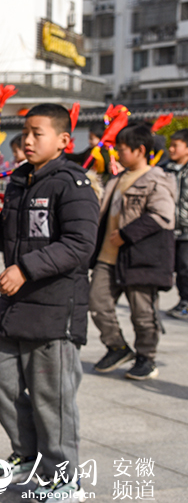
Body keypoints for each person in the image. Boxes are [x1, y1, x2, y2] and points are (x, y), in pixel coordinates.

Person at [0, 103, 99, 503]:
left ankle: (65, 478)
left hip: (54, 310)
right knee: (0, 382)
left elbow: (79, 245)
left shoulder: (72, 184)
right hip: (18, 307)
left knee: (51, 400)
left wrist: (25, 268)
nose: (27, 139)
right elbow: (8, 237)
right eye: (25, 131)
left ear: (63, 140)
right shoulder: (22, 179)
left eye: (37, 133)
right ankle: (28, 454)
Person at [89, 125, 175, 381]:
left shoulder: (157, 179)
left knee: (143, 313)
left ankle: (146, 358)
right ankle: (117, 347)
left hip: (140, 258)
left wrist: (127, 234)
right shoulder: (116, 178)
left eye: (122, 149)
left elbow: (163, 215)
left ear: (140, 150)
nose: (117, 154)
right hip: (107, 256)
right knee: (96, 302)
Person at [164, 128, 188, 319]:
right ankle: (183, 301)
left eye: (175, 145)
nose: (171, 149)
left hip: (187, 228)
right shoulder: (165, 169)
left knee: (186, 267)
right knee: (179, 268)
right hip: (172, 228)